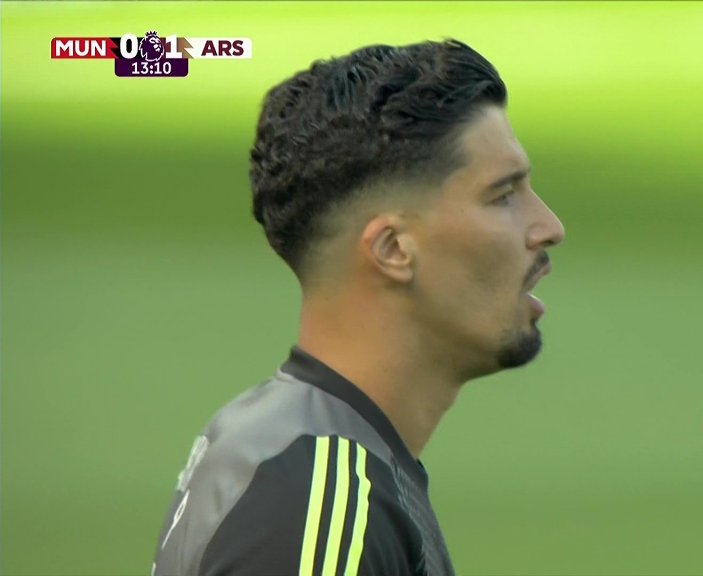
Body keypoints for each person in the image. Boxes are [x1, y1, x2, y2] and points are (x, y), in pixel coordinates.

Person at [151, 38, 565, 576]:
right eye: (503, 195)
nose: (549, 227)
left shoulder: (282, 442)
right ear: (393, 250)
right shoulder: (317, 502)